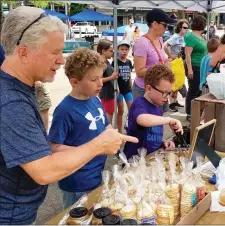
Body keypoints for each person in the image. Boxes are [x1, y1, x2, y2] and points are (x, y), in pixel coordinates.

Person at [0, 6, 137, 225]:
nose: (62, 60)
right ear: (24, 52)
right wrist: (99, 145)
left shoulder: (19, 90)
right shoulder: (11, 101)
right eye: (54, 52)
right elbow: (43, 171)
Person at [48, 48, 111, 209]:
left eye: (101, 77)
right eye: (94, 79)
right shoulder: (64, 110)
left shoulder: (94, 100)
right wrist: (93, 149)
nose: (100, 83)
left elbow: (106, 126)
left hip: (97, 175)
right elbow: (54, 147)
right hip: (76, 183)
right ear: (74, 82)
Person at [123, 64, 183, 160]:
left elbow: (150, 134)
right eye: (164, 93)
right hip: (134, 161)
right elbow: (143, 120)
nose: (167, 97)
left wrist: (163, 142)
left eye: (169, 93)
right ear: (149, 89)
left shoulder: (158, 109)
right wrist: (168, 120)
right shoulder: (139, 103)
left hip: (150, 159)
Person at [133, 8, 177, 113]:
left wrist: (168, 61)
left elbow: (159, 60)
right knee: (146, 123)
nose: (166, 28)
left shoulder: (160, 39)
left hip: (159, 88)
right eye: (165, 25)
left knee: (158, 121)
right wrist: (161, 68)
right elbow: (139, 72)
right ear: (155, 24)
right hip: (145, 90)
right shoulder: (142, 43)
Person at [184, 15, 208, 120]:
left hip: (200, 67)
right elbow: (187, 54)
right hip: (194, 67)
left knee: (198, 91)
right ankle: (189, 113)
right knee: (193, 91)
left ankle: (195, 112)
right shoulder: (191, 37)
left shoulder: (200, 36)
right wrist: (189, 69)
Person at [164, 19, 189, 112]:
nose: (186, 29)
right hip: (174, 63)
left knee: (178, 82)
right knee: (174, 83)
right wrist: (171, 56)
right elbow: (165, 46)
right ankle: (171, 104)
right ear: (179, 27)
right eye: (185, 28)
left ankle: (174, 102)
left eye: (187, 27)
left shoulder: (181, 37)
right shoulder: (175, 37)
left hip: (179, 62)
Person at [112, 40, 133, 133]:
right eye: (122, 49)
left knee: (132, 110)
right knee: (120, 110)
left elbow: (129, 76)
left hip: (128, 90)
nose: (124, 51)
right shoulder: (115, 62)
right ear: (118, 50)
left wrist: (131, 88)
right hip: (119, 91)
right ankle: (119, 131)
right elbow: (114, 78)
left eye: (126, 49)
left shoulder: (129, 62)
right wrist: (117, 89)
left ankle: (130, 129)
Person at [97, 39, 119, 125]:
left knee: (109, 114)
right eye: (110, 50)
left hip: (109, 92)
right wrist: (111, 77)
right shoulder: (102, 63)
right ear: (103, 51)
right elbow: (98, 79)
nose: (112, 52)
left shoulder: (106, 62)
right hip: (107, 94)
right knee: (108, 117)